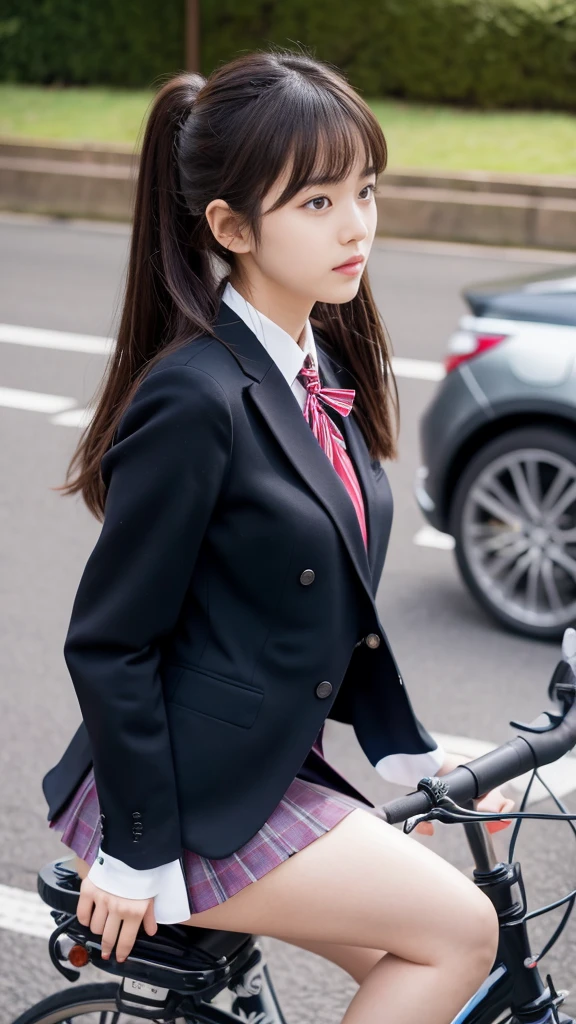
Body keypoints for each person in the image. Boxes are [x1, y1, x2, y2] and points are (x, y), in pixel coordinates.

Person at [41, 48, 514, 1024]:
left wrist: (407, 756)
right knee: (464, 932)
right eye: (317, 203)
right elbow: (110, 640)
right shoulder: (193, 397)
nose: (357, 226)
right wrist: (137, 846)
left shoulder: (316, 362)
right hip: (179, 800)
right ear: (230, 225)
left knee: (421, 946)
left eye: (365, 190)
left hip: (256, 766)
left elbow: (329, 585)